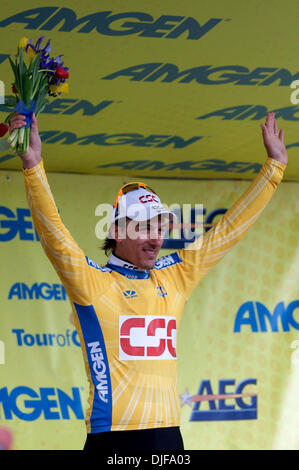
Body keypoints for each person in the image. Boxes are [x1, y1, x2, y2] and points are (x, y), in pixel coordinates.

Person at [9, 112, 287, 451]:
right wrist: (33, 164)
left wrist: (274, 168)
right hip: (111, 437)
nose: (155, 238)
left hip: (169, 438)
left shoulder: (176, 275)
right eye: (143, 226)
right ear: (115, 231)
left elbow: (228, 230)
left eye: (160, 227)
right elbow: (53, 233)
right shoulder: (91, 282)